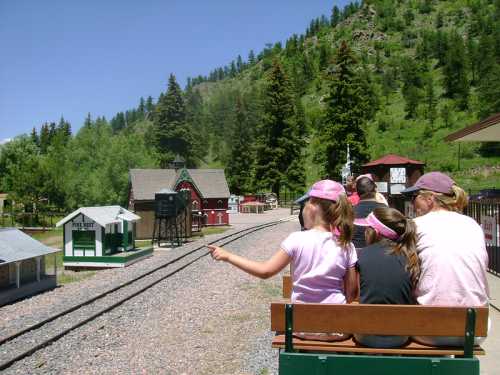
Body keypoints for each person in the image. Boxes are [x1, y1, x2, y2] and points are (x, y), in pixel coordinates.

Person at [208, 179, 358, 306]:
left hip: (301, 327)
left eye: (306, 203)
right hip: (337, 329)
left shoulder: (297, 239)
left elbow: (265, 271)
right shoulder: (346, 245)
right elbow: (352, 294)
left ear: (313, 207)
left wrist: (228, 256)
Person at [401, 171, 490, 346]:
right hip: (474, 330)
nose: (412, 202)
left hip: (432, 330)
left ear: (430, 198)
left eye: (414, 196)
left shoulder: (416, 226)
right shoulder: (472, 225)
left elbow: (404, 276)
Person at [353, 207, 420, 348]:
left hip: (366, 336)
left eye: (367, 228)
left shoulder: (363, 255)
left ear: (375, 232)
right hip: (401, 336)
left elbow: (358, 295)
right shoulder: (411, 256)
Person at [352, 176, 388, 249]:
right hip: (381, 254)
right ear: (375, 190)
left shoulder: (350, 212)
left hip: (357, 256)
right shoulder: (385, 210)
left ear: (357, 192)